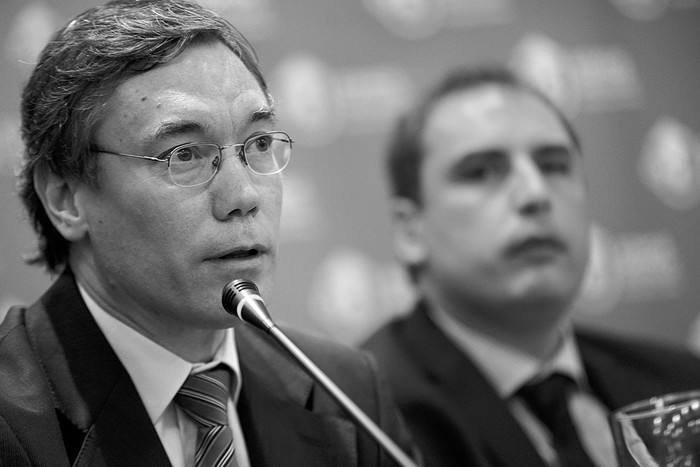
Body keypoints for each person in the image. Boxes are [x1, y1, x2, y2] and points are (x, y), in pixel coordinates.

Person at [0, 1, 417, 466]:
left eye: (258, 144)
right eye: (184, 155)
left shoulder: (345, 389)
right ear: (65, 199)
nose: (242, 195)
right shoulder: (11, 424)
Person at [361, 66, 700, 467]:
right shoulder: (363, 419)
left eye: (554, 165)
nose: (535, 194)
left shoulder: (680, 383)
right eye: (482, 171)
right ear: (409, 231)